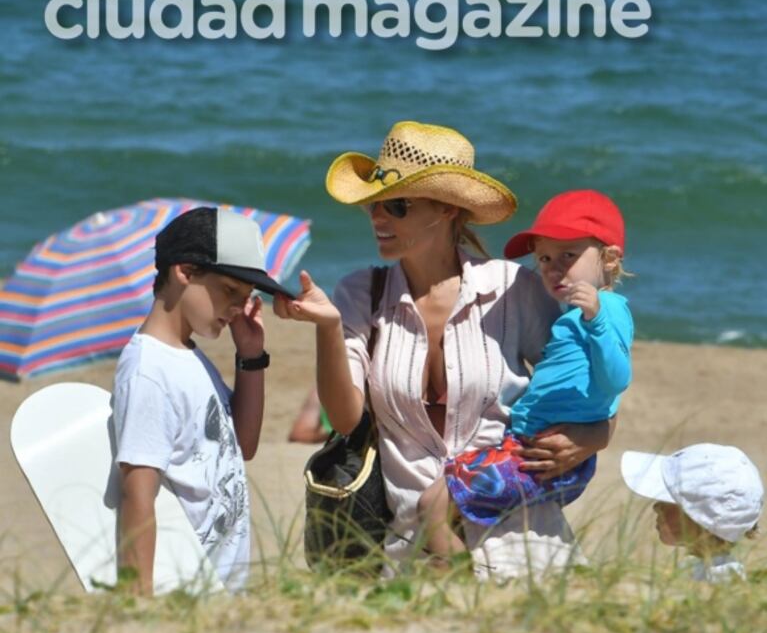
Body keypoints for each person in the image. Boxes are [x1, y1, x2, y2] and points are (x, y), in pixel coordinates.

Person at [274, 121, 613, 580]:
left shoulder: (513, 289)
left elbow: (589, 384)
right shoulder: (360, 294)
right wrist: (329, 328)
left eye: (397, 205)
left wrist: (594, 437)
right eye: (373, 205)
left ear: (449, 209)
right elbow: (348, 418)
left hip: (523, 547)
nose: (378, 217)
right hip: (408, 552)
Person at [419, 190, 632, 558]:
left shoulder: (607, 310)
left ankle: (450, 583)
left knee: (434, 503)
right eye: (545, 258)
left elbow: (616, 380)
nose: (553, 267)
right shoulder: (572, 317)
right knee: (447, 505)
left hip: (543, 455)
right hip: (535, 448)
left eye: (569, 255)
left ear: (610, 259)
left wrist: (596, 320)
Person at [112, 206, 292, 595]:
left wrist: (250, 356)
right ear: (185, 272)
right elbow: (137, 494)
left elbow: (243, 444)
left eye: (245, 297)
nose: (237, 308)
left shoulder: (189, 355)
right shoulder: (149, 370)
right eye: (229, 291)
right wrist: (136, 602)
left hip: (221, 586)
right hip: (179, 590)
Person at [621, 444, 764, 583]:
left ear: (699, 520)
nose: (656, 507)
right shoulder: (702, 571)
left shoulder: (715, 580)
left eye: (668, 501)